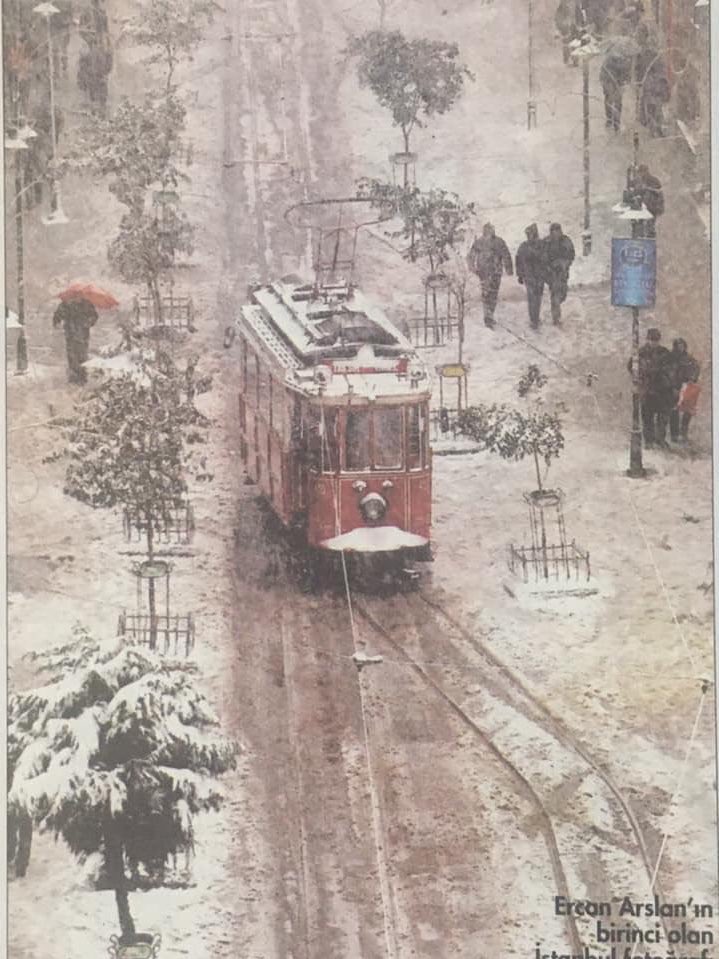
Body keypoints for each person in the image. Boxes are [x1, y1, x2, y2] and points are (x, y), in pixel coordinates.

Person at [630, 328, 673, 447]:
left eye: (656, 340)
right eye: (652, 340)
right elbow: (631, 366)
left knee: (662, 418)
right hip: (647, 390)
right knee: (647, 417)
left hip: (662, 390)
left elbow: (671, 369)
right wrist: (639, 378)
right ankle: (648, 441)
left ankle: (660, 439)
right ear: (647, 339)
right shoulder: (641, 352)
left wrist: (666, 379)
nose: (654, 342)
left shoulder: (665, 352)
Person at [467, 223, 513, 329]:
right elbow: (471, 255)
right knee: (486, 294)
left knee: (493, 294)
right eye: (487, 230)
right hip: (483, 272)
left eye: (491, 230)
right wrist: (472, 267)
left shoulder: (499, 242)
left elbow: (506, 255)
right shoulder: (479, 242)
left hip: (496, 272)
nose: (489, 232)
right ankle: (488, 317)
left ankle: (490, 314)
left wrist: (509, 268)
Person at [53, 297, 98, 384]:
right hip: (71, 334)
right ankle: (73, 378)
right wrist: (57, 322)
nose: (77, 296)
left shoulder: (87, 304)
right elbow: (57, 315)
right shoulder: (66, 304)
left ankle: (82, 378)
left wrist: (88, 323)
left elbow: (94, 316)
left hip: (83, 335)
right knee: (72, 356)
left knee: (82, 356)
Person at [542, 223, 575, 325]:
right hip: (552, 273)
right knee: (555, 294)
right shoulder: (547, 242)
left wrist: (564, 263)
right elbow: (542, 256)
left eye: (557, 231)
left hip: (563, 272)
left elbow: (571, 255)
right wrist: (548, 266)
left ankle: (556, 309)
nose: (556, 233)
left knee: (563, 293)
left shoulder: (566, 240)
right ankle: (556, 317)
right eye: (554, 231)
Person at [668, 338, 700, 442]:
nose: (680, 347)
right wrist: (672, 385)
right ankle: (674, 435)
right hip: (674, 387)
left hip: (687, 387)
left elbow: (696, 369)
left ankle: (684, 433)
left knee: (687, 412)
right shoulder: (671, 358)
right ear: (675, 346)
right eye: (678, 345)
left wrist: (692, 378)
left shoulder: (689, 358)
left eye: (682, 345)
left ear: (685, 346)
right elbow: (668, 372)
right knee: (674, 412)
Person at [515, 223, 546, 330]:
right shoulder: (523, 246)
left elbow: (546, 260)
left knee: (538, 298)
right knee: (532, 298)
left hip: (540, 276)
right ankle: (533, 320)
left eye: (531, 233)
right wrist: (520, 275)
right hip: (529, 277)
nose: (529, 236)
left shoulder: (542, 245)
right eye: (528, 234)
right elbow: (518, 261)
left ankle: (535, 318)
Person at [600, 51, 632, 131]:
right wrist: (626, 81)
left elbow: (603, 72)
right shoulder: (625, 60)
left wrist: (603, 81)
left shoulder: (608, 60)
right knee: (616, 102)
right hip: (616, 83)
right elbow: (627, 74)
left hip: (611, 83)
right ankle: (615, 122)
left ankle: (610, 120)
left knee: (610, 101)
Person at [634, 164, 664, 237]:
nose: (641, 174)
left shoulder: (653, 180)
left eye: (641, 172)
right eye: (639, 172)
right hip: (642, 207)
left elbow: (659, 192)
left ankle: (649, 238)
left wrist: (647, 188)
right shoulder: (639, 181)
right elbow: (636, 192)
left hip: (652, 207)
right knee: (640, 226)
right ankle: (641, 237)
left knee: (650, 226)